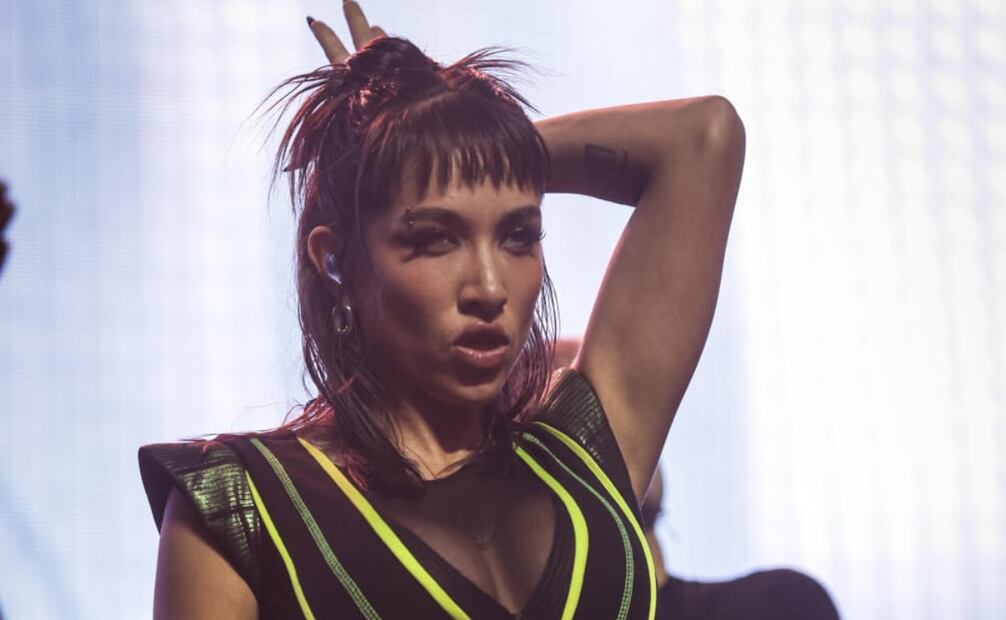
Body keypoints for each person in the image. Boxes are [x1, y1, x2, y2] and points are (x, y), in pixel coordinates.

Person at [139, 1, 745, 618]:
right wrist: (393, 151)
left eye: (517, 236)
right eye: (434, 238)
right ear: (334, 260)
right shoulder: (246, 506)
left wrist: (451, 137)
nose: (488, 286)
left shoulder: (580, 458)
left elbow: (704, 137)